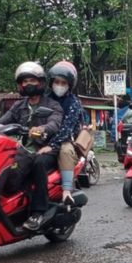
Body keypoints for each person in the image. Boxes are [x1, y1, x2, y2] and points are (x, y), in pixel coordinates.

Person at [0, 61, 63, 231]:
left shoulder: (51, 105)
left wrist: (43, 129)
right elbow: (2, 122)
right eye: (24, 81)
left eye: (32, 80)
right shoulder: (18, 106)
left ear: (40, 82)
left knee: (38, 163)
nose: (28, 84)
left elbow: (54, 123)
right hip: (24, 149)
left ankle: (38, 212)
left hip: (48, 148)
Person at [46, 61, 84, 205]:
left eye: (63, 82)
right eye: (57, 82)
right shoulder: (45, 99)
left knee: (65, 151)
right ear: (51, 82)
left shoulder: (73, 102)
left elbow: (67, 128)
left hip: (64, 141)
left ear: (69, 85)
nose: (59, 85)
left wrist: (52, 145)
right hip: (42, 139)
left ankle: (67, 190)